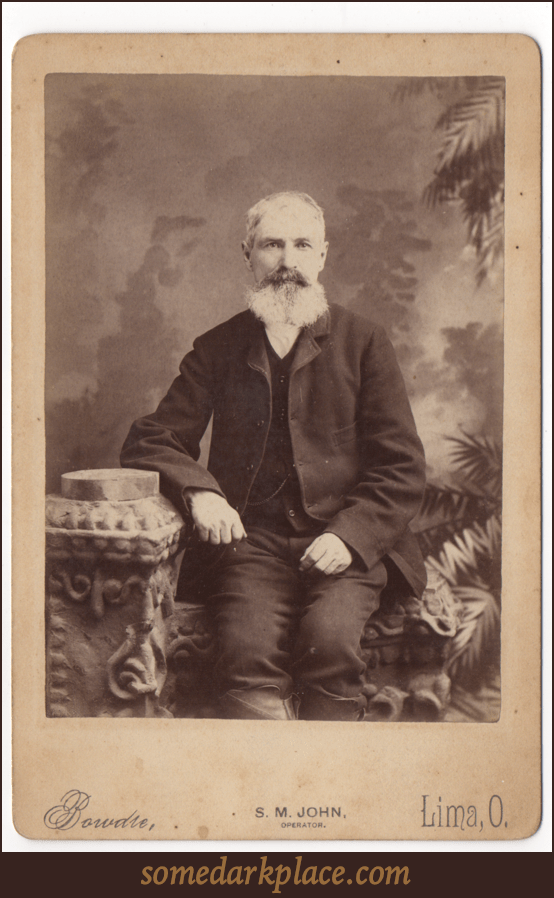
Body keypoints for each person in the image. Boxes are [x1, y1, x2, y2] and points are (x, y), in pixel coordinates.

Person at [121, 191, 426, 721]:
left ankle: (326, 785)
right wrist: (200, 492)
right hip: (252, 546)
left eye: (302, 245)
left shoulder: (365, 343)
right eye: (272, 245)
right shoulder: (217, 347)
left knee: (330, 643)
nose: (288, 262)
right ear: (247, 253)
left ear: (323, 255)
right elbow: (152, 438)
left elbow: (401, 468)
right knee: (244, 653)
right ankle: (268, 782)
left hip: (345, 544)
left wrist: (349, 537)